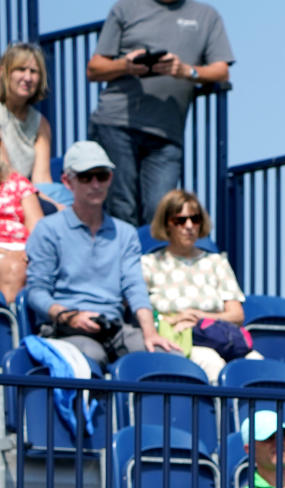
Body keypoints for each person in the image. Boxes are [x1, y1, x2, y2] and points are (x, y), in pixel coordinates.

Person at [24, 140, 175, 366]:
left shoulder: (125, 233)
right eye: (86, 177)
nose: (95, 184)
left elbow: (135, 287)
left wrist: (150, 333)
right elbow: (36, 292)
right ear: (67, 182)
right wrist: (70, 316)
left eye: (102, 175)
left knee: (168, 359)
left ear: (110, 178)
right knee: (91, 357)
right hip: (66, 329)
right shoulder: (48, 229)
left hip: (114, 328)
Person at [86, 0, 234, 226]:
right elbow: (94, 68)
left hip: (167, 133)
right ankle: (124, 261)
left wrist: (186, 71)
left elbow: (221, 71)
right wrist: (126, 66)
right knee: (121, 209)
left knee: (160, 214)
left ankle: (149, 261)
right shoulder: (126, 8)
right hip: (116, 124)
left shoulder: (207, 16)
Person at [142, 188, 260, 381]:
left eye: (194, 219)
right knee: (210, 361)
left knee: (256, 364)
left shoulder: (216, 262)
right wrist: (177, 319)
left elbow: (237, 315)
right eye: (180, 220)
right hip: (178, 341)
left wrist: (199, 317)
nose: (189, 226)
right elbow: (139, 313)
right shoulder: (149, 264)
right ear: (167, 224)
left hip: (217, 336)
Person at [0, 41, 68, 212]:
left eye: (33, 71)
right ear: (3, 72)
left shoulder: (40, 123)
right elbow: (6, 173)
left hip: (26, 194)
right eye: (21, 69)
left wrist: (60, 210)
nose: (28, 77)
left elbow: (42, 179)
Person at [0, 151, 41, 302]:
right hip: (5, 253)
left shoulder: (18, 182)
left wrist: (26, 252)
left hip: (23, 251)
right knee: (13, 269)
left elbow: (38, 230)